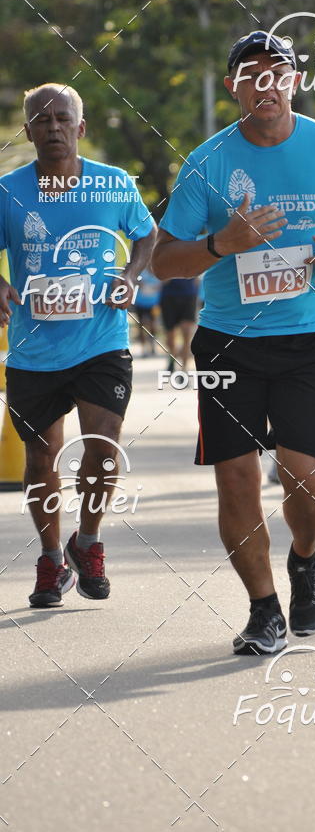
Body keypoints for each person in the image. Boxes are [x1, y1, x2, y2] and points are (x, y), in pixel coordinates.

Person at [152, 30, 315, 655]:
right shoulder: (206, 162)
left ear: (295, 82)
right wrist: (219, 245)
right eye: (251, 73)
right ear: (234, 86)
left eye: (277, 71)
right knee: (236, 481)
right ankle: (263, 610)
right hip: (228, 343)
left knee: (304, 479)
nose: (266, 83)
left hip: (309, 338)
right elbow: (163, 262)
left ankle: (305, 558)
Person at [0, 83, 156, 607]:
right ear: (28, 131)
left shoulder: (113, 185)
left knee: (103, 446)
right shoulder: (9, 191)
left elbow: (146, 234)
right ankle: (50, 560)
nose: (53, 129)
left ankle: (87, 541)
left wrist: (132, 275)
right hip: (34, 348)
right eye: (41, 121)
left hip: (101, 340)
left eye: (63, 119)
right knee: (42, 458)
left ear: (80, 128)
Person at [160, 277, 199, 371]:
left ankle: (184, 369)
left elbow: (198, 276)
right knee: (170, 337)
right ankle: (172, 358)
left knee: (187, 335)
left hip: (189, 296)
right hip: (169, 296)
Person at [134, 268, 161, 356]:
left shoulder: (158, 272)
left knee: (154, 325)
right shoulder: (141, 273)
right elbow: (134, 280)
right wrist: (139, 283)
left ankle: (153, 345)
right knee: (141, 325)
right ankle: (144, 348)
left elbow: (163, 283)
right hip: (140, 303)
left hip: (154, 304)